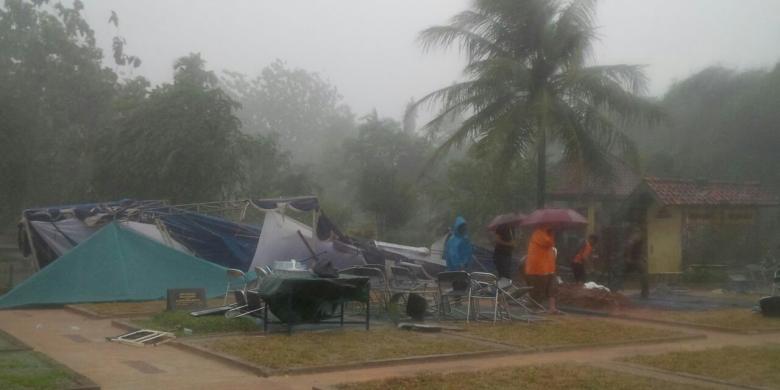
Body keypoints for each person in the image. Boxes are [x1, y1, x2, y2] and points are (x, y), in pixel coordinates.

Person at [525, 225, 560, 313]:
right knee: (539, 288)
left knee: (552, 286)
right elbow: (548, 243)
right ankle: (535, 308)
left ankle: (552, 308)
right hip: (538, 268)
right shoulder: (538, 233)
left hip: (549, 266)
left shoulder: (548, 234)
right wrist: (552, 234)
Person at [624, 229, 649, 299]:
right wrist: (629, 257)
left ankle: (645, 293)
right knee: (643, 273)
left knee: (644, 273)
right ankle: (645, 292)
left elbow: (639, 249)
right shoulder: (636, 236)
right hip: (634, 259)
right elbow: (630, 245)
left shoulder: (638, 238)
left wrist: (643, 257)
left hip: (636, 258)